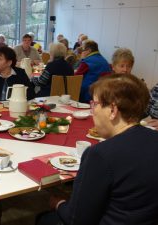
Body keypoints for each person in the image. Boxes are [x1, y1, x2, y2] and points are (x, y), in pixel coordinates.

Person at [36, 74, 158, 225]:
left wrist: (59, 203)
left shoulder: (101, 155)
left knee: (44, 219)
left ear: (112, 110)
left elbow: (77, 220)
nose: (91, 111)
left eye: (94, 105)